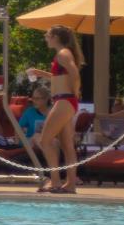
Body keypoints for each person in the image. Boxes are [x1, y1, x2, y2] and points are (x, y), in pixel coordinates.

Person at [23, 24, 83, 193]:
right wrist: (42, 74)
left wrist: (75, 92)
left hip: (64, 100)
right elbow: (60, 77)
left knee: (44, 140)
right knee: (66, 145)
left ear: (55, 37)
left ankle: (55, 180)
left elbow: (75, 74)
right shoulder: (62, 54)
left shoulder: (63, 53)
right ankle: (70, 184)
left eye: (48, 35)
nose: (45, 38)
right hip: (64, 100)